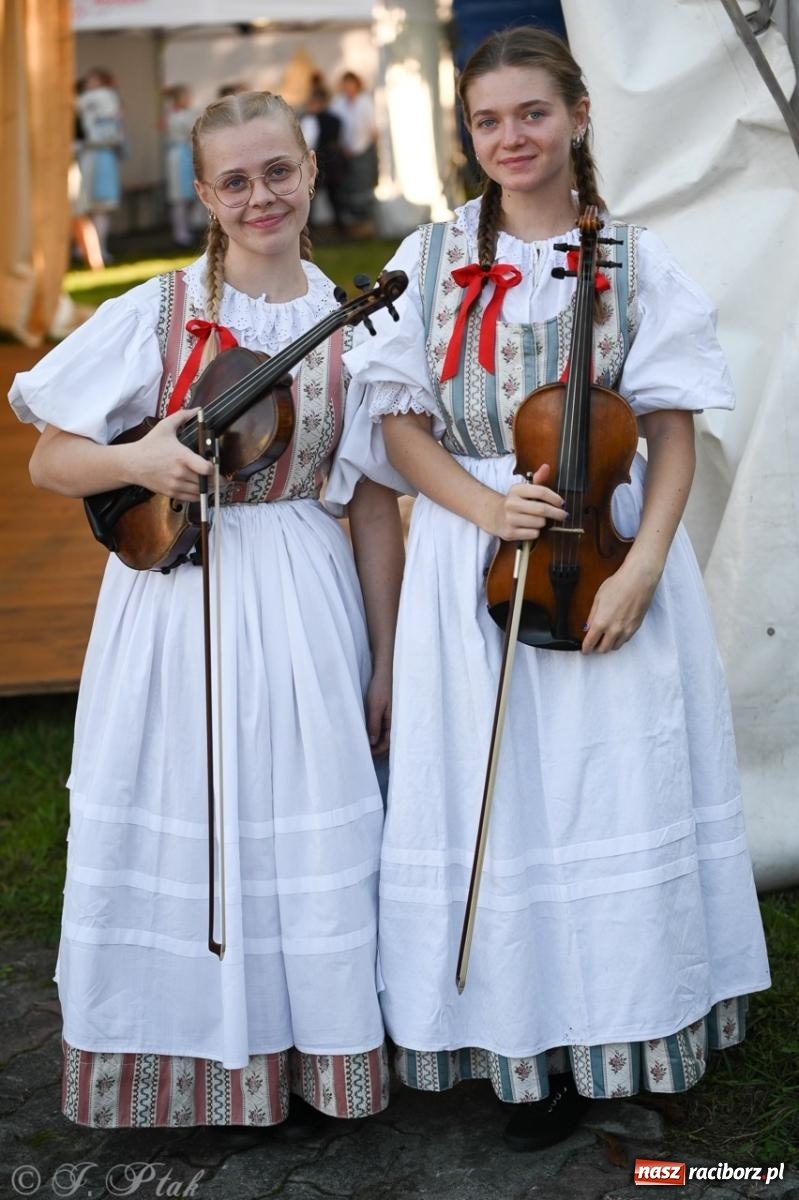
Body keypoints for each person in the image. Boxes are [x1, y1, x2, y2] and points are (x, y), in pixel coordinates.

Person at [337, 26, 771, 1152]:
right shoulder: (431, 259)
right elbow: (394, 423)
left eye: (531, 113)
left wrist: (638, 569)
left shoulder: (633, 258)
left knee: (608, 792)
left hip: (606, 560)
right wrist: (481, 507)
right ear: (468, 134)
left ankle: (627, 1034)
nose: (510, 137)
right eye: (487, 120)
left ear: (579, 116)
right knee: (502, 804)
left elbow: (670, 437)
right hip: (467, 562)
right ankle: (518, 1044)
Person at [9, 90, 404, 1131]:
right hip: (171, 608)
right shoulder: (160, 310)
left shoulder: (353, 328)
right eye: (235, 180)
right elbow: (51, 454)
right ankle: (185, 1054)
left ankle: (310, 1053)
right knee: (186, 810)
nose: (260, 195)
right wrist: (137, 456)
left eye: (277, 170)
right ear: (204, 197)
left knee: (297, 824)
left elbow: (368, 507)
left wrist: (385, 659)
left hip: (305, 595)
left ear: (311, 171)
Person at [75, 68, 126, 265]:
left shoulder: (96, 97)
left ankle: (93, 250)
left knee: (95, 206)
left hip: (95, 154)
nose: (89, 83)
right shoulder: (112, 98)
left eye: (92, 79)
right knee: (97, 207)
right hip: (100, 154)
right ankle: (94, 249)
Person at [329, 71, 378, 231]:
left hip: (363, 150)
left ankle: (365, 222)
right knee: (347, 187)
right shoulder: (338, 103)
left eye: (351, 84)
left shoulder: (365, 102)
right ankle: (352, 224)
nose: (348, 88)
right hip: (344, 152)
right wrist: (342, 147)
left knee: (363, 186)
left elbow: (372, 128)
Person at [300, 81, 347, 236]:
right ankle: (309, 228)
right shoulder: (305, 119)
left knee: (335, 197)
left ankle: (341, 227)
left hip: (329, 163)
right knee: (310, 194)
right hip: (313, 162)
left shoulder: (332, 120)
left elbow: (331, 141)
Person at [162, 84, 198, 247]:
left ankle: (185, 230)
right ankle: (181, 232)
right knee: (181, 196)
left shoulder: (172, 115)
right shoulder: (179, 116)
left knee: (186, 195)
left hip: (181, 154)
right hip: (181, 155)